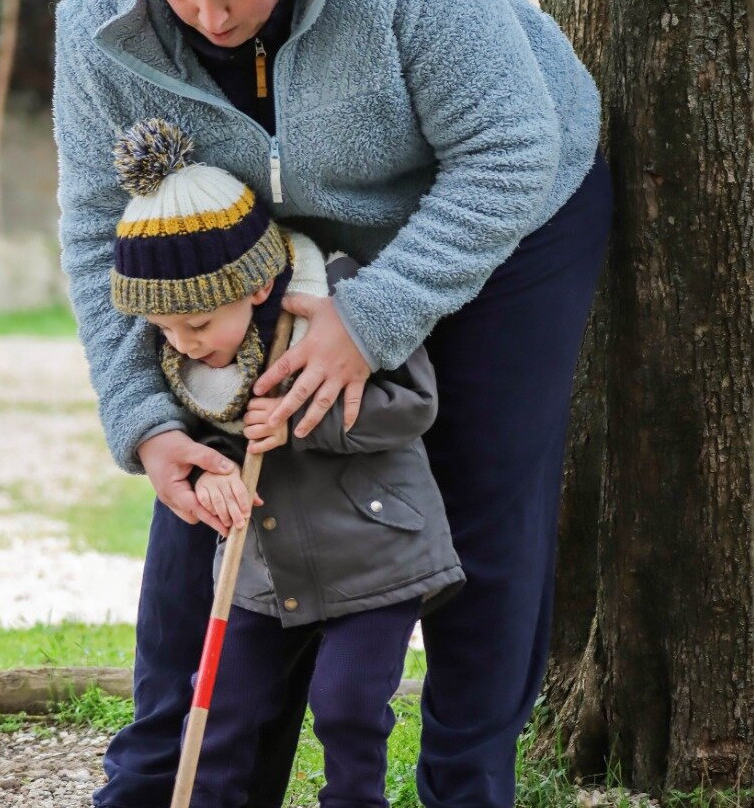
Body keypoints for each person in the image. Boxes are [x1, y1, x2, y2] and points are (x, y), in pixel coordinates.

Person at [52, 0, 615, 806]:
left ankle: (467, 788)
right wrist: (145, 419)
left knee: (478, 498)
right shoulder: (94, 20)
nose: (211, 17)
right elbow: (102, 223)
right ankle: (168, 788)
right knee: (222, 492)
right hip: (261, 241)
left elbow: (510, 149)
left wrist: (369, 319)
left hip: (501, 208)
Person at [106, 117, 465, 806]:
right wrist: (210, 472)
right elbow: (204, 438)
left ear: (255, 285)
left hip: (374, 553)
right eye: (164, 328)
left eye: (197, 323)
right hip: (261, 570)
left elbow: (413, 405)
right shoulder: (184, 358)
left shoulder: (340, 301)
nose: (184, 343)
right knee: (217, 705)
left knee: (346, 708)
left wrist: (304, 419)